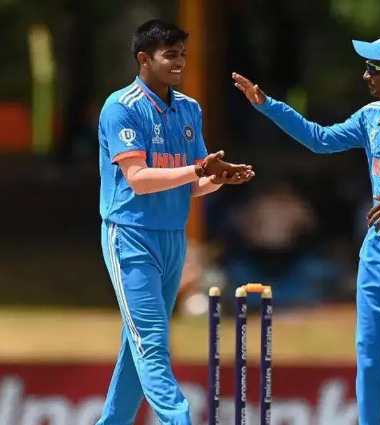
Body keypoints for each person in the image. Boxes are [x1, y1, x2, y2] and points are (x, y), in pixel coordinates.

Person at [232, 33, 380, 425]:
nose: (366, 75)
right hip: (377, 248)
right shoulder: (370, 117)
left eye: (375, 68)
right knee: (368, 351)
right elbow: (319, 139)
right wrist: (268, 106)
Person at [97, 19, 253, 425]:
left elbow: (191, 184)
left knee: (138, 345)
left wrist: (218, 179)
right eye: (170, 55)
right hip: (130, 235)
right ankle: (178, 420)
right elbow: (138, 179)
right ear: (144, 59)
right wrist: (197, 169)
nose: (179, 62)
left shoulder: (188, 109)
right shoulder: (122, 107)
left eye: (182, 54)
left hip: (172, 239)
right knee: (151, 342)